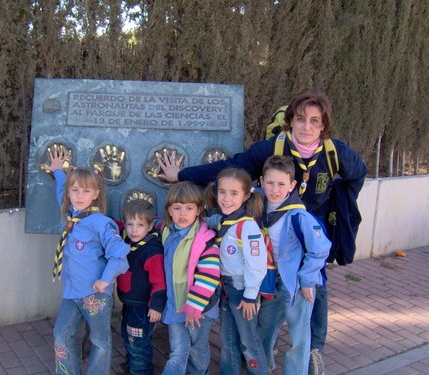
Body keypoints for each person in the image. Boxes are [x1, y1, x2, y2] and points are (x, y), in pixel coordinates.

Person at [157, 88, 367, 375]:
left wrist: (337, 200)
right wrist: (182, 175)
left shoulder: (335, 152)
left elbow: (358, 173)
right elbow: (232, 168)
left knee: (314, 288)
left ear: (323, 125)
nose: (307, 127)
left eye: (314, 121)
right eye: (301, 119)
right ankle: (260, 355)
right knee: (269, 303)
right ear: (290, 120)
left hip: (306, 236)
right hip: (271, 235)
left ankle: (314, 349)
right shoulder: (271, 148)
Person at [44, 149, 130, 375]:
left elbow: (119, 253)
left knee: (100, 341)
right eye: (75, 190)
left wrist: (106, 279)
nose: (79, 195)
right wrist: (58, 171)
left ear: (96, 193)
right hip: (72, 293)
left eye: (86, 191)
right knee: (61, 335)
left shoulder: (101, 223)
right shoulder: (70, 215)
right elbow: (61, 190)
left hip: (95, 295)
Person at [257, 155, 331, 374]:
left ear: (292, 185)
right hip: (272, 280)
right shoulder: (258, 207)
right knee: (264, 328)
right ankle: (264, 366)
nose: (275, 189)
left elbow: (321, 248)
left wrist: (308, 279)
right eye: (270, 183)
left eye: (281, 184)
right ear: (261, 181)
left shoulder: (299, 215)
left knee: (299, 335)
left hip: (297, 284)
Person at [204, 168, 269, 375]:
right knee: (228, 340)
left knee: (249, 342)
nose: (226, 199)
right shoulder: (223, 220)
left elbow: (257, 265)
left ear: (246, 196)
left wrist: (250, 296)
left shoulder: (247, 227)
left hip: (242, 292)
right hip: (225, 288)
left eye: (234, 193)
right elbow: (206, 221)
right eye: (222, 192)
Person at [161, 181, 221, 375]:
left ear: (198, 210)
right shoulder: (167, 232)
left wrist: (194, 307)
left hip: (199, 308)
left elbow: (209, 276)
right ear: (169, 210)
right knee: (177, 350)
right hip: (176, 303)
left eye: (189, 208)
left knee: (197, 348)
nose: (183, 214)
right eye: (177, 208)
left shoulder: (204, 239)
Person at [117, 199, 167, 375]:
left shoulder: (151, 250)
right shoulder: (129, 240)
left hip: (143, 306)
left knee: (138, 340)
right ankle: (132, 364)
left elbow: (159, 282)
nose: (134, 230)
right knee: (127, 334)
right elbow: (115, 226)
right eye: (130, 224)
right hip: (130, 302)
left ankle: (141, 370)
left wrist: (156, 306)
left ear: (150, 225)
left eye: (140, 225)